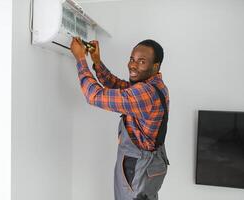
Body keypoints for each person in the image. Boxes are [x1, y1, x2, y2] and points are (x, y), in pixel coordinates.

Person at [70, 37, 170, 200]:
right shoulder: (154, 85)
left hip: (137, 164)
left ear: (155, 66)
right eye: (132, 59)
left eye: (141, 61)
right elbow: (120, 87)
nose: (133, 65)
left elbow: (94, 96)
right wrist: (97, 62)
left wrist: (81, 59)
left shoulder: (145, 93)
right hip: (148, 163)